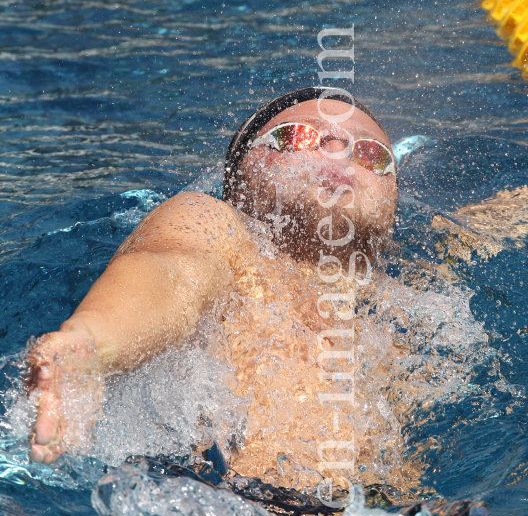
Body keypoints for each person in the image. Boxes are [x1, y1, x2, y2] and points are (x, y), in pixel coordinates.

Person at [27, 87, 423, 493]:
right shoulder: (220, 230)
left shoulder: (413, 294)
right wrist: (92, 342)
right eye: (298, 136)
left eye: (372, 154)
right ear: (236, 177)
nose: (339, 149)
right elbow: (173, 272)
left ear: (393, 201)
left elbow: (490, 221)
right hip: (239, 506)